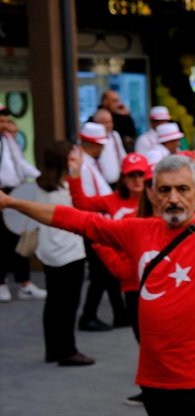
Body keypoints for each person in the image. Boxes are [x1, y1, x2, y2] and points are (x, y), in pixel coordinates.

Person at [0, 154, 195, 416]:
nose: (173, 198)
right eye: (164, 190)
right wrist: (13, 201)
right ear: (152, 194)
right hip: (153, 379)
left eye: (182, 189)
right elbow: (76, 220)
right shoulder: (136, 230)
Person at [35, 141, 92, 366]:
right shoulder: (67, 189)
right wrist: (77, 176)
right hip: (70, 254)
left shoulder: (39, 186)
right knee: (68, 305)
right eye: (72, 157)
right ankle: (67, 350)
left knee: (53, 303)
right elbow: (83, 211)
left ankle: (53, 349)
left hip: (49, 253)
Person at [76, 122, 127, 331]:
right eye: (100, 145)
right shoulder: (84, 166)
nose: (103, 148)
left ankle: (119, 313)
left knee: (107, 273)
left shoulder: (88, 164)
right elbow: (89, 202)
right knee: (101, 274)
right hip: (96, 226)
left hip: (100, 224)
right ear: (92, 144)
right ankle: (89, 316)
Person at [0, 106, 44, 302]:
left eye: (6, 120)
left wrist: (40, 178)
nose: (6, 124)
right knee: (1, 240)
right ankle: (1, 284)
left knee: (20, 236)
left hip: (15, 191)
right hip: (2, 192)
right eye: (1, 121)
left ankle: (24, 283)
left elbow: (21, 163)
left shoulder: (10, 140)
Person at [94, 108, 128, 187]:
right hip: (101, 184)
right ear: (97, 123)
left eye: (110, 121)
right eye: (106, 122)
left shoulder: (115, 136)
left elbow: (123, 156)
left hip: (118, 184)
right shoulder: (93, 140)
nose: (110, 125)